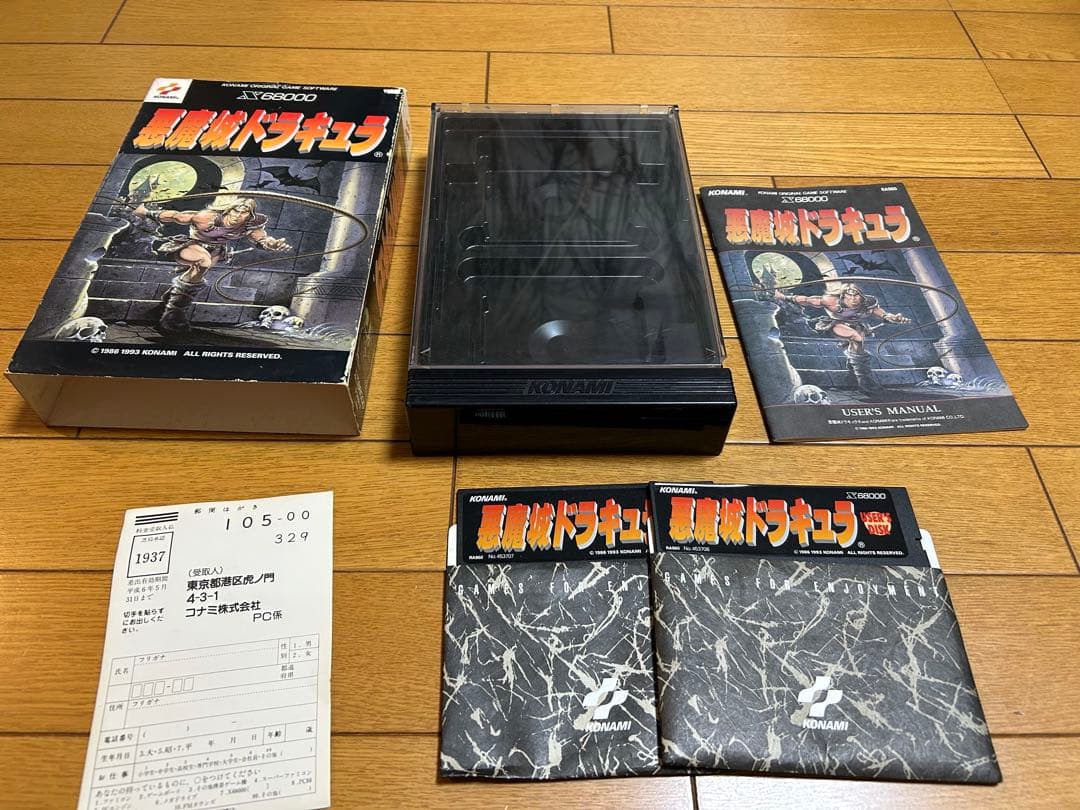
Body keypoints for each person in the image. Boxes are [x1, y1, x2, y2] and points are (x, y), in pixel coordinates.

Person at [133, 198, 291, 333]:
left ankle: (173, 296)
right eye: (235, 211)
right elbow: (175, 216)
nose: (238, 216)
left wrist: (273, 244)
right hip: (191, 246)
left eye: (244, 213)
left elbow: (262, 238)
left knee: (199, 272)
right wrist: (146, 212)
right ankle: (174, 311)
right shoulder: (206, 217)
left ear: (249, 215)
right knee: (203, 262)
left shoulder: (248, 226)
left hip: (216, 251)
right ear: (228, 210)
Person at [775, 283, 911, 392]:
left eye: (856, 295)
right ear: (843, 296)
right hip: (835, 324)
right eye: (849, 296)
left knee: (858, 343)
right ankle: (864, 380)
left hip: (857, 326)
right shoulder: (831, 301)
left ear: (861, 296)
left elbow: (883, 314)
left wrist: (892, 318)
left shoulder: (868, 304)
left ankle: (853, 371)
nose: (853, 299)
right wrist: (784, 297)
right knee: (856, 337)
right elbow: (807, 300)